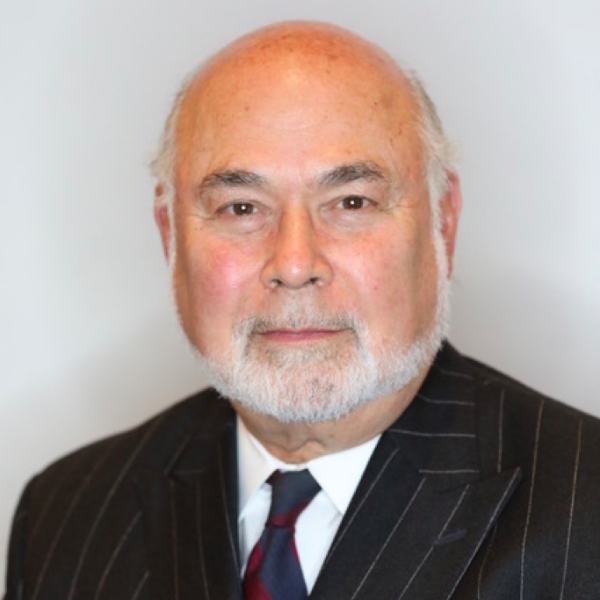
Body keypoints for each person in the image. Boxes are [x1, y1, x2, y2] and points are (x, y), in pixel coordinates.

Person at [4, 20, 600, 600]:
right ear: (170, 236)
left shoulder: (584, 505)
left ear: (443, 221)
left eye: (351, 202)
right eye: (241, 208)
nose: (293, 264)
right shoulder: (64, 518)